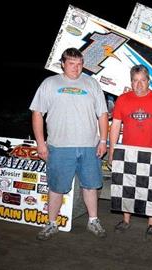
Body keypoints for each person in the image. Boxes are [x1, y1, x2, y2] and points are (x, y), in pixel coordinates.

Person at [30, 47, 109, 240]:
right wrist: (40, 143)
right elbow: (37, 113)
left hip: (89, 146)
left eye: (79, 64)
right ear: (63, 64)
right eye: (72, 64)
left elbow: (103, 114)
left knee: (91, 185)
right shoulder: (49, 83)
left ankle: (93, 220)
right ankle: (51, 223)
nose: (76, 68)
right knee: (56, 187)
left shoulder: (92, 84)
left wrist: (103, 140)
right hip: (59, 146)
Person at [108, 64, 152, 238]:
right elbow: (115, 125)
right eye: (135, 81)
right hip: (128, 152)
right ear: (131, 82)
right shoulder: (123, 99)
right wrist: (112, 151)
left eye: (143, 80)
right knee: (127, 186)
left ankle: (151, 223)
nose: (139, 84)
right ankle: (126, 220)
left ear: (149, 81)